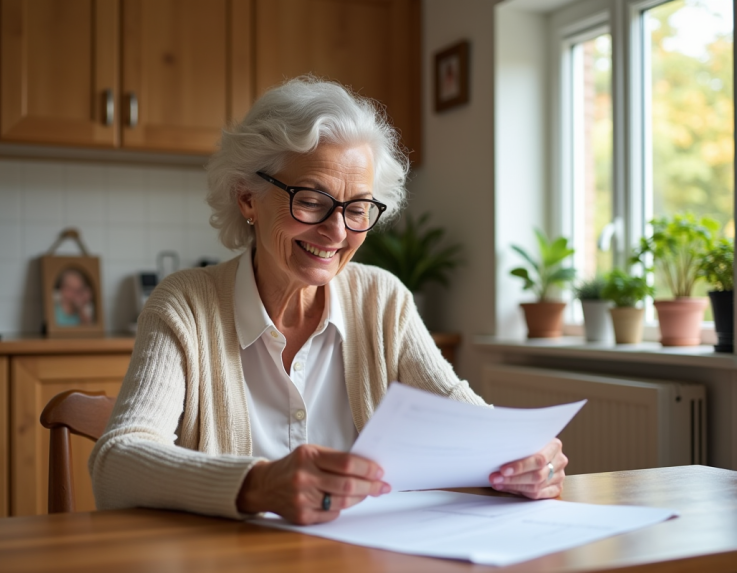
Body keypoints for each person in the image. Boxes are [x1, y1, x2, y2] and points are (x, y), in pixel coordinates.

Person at [89, 77, 568, 525]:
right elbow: (115, 464)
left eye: (357, 208)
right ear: (248, 198)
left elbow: (473, 426)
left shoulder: (383, 301)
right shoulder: (186, 306)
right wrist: (258, 484)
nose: (337, 231)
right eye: (312, 201)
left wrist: (528, 459)